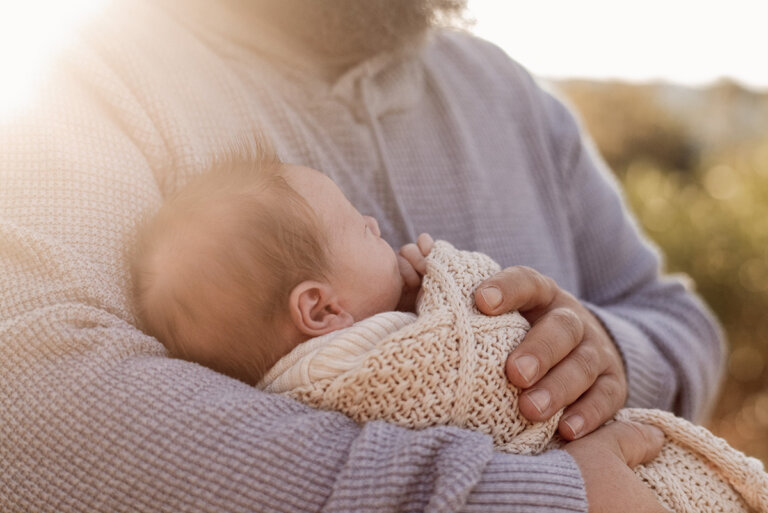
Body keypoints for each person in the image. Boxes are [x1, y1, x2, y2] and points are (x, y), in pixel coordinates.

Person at [0, 0, 724, 511]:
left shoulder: (506, 91)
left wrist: (609, 355)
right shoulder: (84, 78)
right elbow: (34, 396)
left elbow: (674, 315)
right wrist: (521, 498)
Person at [133, 157, 768, 513]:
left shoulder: (297, 380)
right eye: (362, 231)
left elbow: (678, 314)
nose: (380, 225)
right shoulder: (386, 365)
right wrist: (448, 280)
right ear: (322, 311)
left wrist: (598, 343)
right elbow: (473, 372)